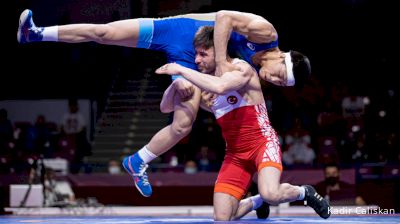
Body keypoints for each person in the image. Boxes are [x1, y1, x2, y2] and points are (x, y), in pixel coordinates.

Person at [17, 9, 311, 199]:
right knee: (103, 33)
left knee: (183, 123)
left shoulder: (249, 69)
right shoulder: (266, 33)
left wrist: (208, 90)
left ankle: (138, 161)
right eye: (280, 76)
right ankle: (36, 33)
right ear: (285, 58)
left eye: (279, 84)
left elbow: (221, 90)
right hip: (177, 30)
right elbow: (223, 18)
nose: (273, 79)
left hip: (191, 60)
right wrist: (221, 64)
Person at [155, 26, 329, 221]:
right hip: (235, 155)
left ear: (218, 50)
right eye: (196, 55)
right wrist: (175, 84)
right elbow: (166, 108)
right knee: (223, 218)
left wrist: (180, 69)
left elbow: (221, 86)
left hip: (262, 144)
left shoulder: (241, 69)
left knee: (271, 193)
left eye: (203, 54)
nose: (197, 60)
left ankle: (304, 192)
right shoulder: (202, 83)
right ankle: (256, 201)